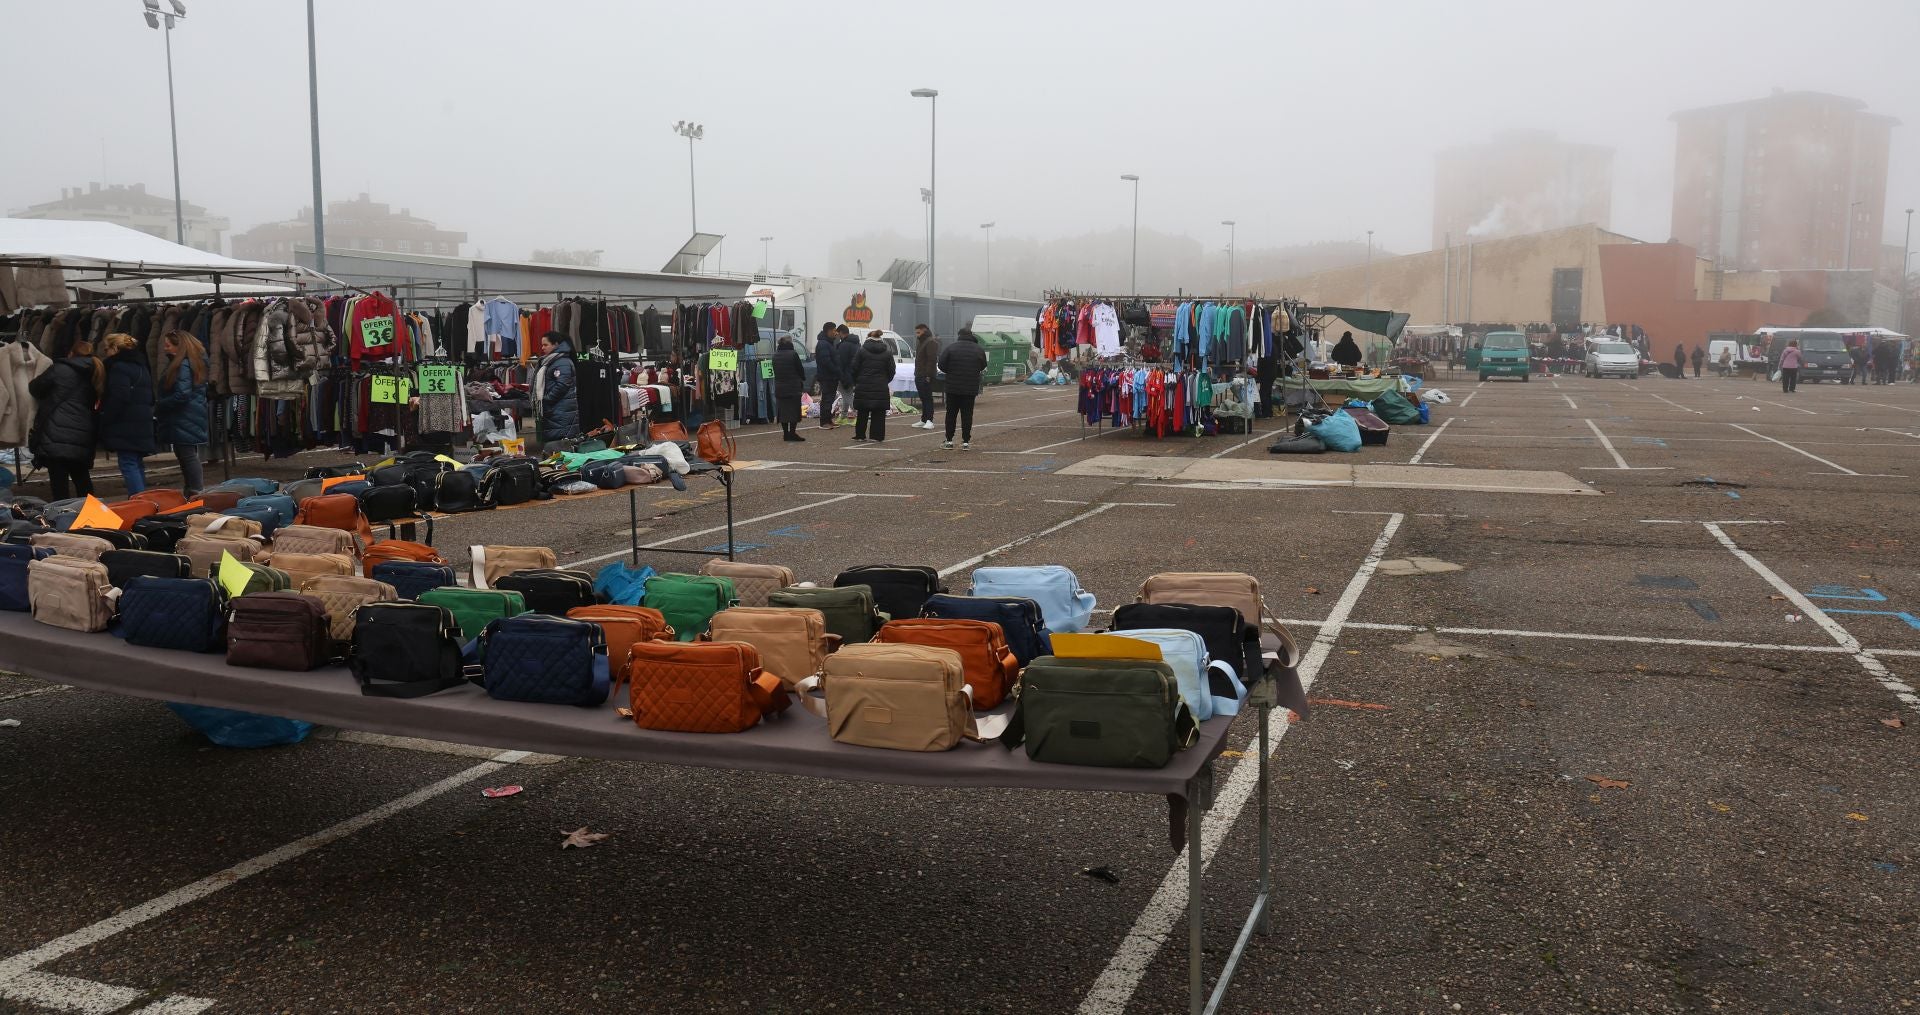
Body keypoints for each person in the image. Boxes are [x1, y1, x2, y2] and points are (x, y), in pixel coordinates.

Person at [27, 337, 103, 500]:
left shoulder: (59, 369)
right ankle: (92, 516)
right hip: (83, 433)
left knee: (59, 483)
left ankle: (63, 519)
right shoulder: (96, 371)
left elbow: (35, 388)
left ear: (71, 353)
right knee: (82, 478)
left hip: (56, 432)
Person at [96, 332, 156, 494]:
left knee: (128, 462)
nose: (105, 352)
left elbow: (119, 396)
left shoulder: (118, 367)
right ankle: (143, 500)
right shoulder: (141, 365)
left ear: (115, 348)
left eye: (107, 348)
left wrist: (105, 417)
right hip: (141, 421)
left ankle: (138, 501)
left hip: (125, 422)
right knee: (136, 462)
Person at [153, 329, 210, 496]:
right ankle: (193, 491)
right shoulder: (190, 363)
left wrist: (161, 404)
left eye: (168, 345)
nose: (165, 348)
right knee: (187, 454)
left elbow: (182, 394)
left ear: (180, 347)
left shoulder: (183, 365)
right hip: (188, 414)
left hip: (183, 415)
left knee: (187, 455)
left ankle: (195, 491)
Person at [937, 327, 987, 450]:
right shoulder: (978, 349)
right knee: (967, 414)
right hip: (970, 388)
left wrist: (951, 371)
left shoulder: (951, 348)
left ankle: (949, 440)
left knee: (951, 414)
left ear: (959, 335)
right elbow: (983, 365)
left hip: (952, 387)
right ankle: (965, 442)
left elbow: (941, 365)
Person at [533, 330, 579, 445]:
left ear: (556, 345)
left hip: (560, 410)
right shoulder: (553, 360)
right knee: (557, 445)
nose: (542, 348)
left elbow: (562, 385)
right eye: (542, 345)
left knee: (561, 445)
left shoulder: (561, 362)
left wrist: (546, 399)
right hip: (557, 410)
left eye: (545, 345)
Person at [848, 329, 895, 443]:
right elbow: (892, 371)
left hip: (863, 385)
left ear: (868, 338)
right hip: (881, 386)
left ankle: (860, 435)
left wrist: (857, 381)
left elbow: (854, 368)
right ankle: (877, 436)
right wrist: (884, 380)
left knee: (863, 412)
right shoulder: (887, 352)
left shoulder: (862, 350)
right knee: (879, 412)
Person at [772, 335, 806, 442]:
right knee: (794, 411)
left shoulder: (775, 355)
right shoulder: (793, 354)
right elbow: (800, 370)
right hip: (793, 387)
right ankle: (792, 433)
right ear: (790, 343)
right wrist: (802, 378)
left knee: (783, 412)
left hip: (780, 387)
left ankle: (785, 434)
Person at [813, 321, 841, 429]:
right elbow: (826, 361)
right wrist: (836, 370)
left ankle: (829, 419)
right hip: (827, 376)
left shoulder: (829, 342)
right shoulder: (823, 344)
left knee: (830, 399)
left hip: (831, 377)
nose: (836, 333)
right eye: (834, 330)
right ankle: (824, 422)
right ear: (829, 331)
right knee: (826, 399)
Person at [912, 323, 939, 430]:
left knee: (927, 398)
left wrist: (928, 375)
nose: (917, 335)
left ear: (924, 330)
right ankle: (923, 419)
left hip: (926, 375)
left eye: (919, 332)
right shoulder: (921, 342)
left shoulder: (931, 342)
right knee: (923, 398)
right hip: (919, 374)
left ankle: (929, 420)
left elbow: (931, 360)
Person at [834, 325, 859, 418]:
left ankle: (857, 412)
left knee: (846, 394)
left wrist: (839, 374)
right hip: (854, 374)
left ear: (841, 332)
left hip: (845, 374)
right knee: (846, 394)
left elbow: (841, 362)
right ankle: (843, 416)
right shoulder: (856, 343)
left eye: (838, 333)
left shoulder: (844, 345)